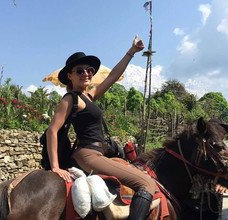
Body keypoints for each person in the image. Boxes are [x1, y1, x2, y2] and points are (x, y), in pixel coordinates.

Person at [46, 36, 157, 220]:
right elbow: (52, 130)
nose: (86, 74)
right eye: (79, 71)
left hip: (99, 153)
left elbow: (112, 76)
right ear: (70, 76)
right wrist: (55, 167)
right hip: (88, 155)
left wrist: (131, 52)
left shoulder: (89, 96)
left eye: (89, 70)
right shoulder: (70, 99)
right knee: (147, 183)